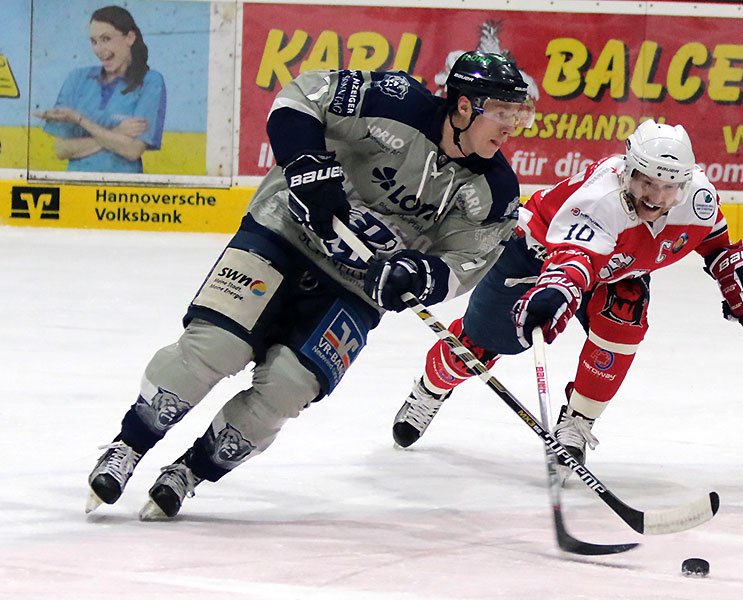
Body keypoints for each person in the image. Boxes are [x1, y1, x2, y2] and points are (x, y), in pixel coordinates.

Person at [85, 51, 535, 519]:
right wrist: (306, 166)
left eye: (518, 114)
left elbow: (467, 261)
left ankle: (189, 473)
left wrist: (420, 277)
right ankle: (128, 447)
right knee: (214, 348)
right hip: (284, 231)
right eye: (502, 113)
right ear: (464, 106)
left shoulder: (496, 190)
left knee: (286, 387)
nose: (512, 127)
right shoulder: (396, 102)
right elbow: (301, 97)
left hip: (358, 287)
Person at [392, 119, 743, 479]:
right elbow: (574, 262)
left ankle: (576, 423)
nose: (657, 197)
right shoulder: (601, 198)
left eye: (669, 187)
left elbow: (714, 239)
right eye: (648, 182)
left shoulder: (698, 196)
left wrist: (735, 272)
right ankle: (429, 390)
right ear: (628, 172)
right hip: (536, 253)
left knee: (625, 317)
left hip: (615, 271)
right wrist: (553, 294)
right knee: (480, 345)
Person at [35, 5, 165, 173]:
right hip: (76, 188)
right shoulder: (77, 78)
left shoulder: (151, 81)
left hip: (120, 192)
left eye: (106, 39)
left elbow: (132, 150)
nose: (99, 49)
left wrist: (80, 120)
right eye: (94, 41)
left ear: (130, 38)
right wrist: (117, 132)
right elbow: (61, 150)